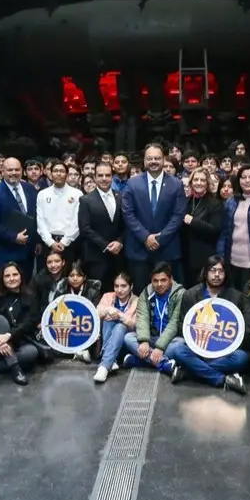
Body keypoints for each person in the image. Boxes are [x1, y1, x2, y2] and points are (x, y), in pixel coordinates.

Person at [169, 258, 250, 394]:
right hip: (197, 350)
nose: (216, 275)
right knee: (178, 351)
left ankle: (188, 372)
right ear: (205, 272)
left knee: (241, 357)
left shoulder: (236, 297)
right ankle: (222, 379)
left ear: (225, 274)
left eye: (220, 271)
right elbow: (182, 325)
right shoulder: (190, 295)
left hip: (225, 352)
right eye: (212, 270)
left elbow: (243, 329)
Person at [121, 144, 188, 291]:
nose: (153, 161)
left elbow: (178, 215)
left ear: (164, 160)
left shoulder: (176, 184)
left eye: (157, 158)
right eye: (149, 158)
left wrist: (161, 238)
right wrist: (146, 237)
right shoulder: (132, 183)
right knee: (140, 294)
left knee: (167, 294)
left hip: (167, 249)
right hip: (139, 250)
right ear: (144, 161)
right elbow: (128, 213)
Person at [123, 263, 186, 375]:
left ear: (171, 279)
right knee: (128, 337)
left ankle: (138, 360)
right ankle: (163, 364)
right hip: (151, 338)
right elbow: (142, 317)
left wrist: (160, 347)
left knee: (180, 345)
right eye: (155, 281)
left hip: (170, 341)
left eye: (163, 280)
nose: (159, 284)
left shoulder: (180, 293)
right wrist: (144, 341)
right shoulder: (147, 292)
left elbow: (174, 323)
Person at [0, 157, 40, 278]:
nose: (13, 173)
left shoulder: (30, 189)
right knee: (7, 287)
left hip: (28, 250)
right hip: (6, 250)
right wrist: (13, 237)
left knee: (26, 285)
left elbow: (36, 216)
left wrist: (37, 241)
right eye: (10, 170)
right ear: (2, 171)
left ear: (21, 171)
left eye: (17, 170)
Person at [78, 163, 126, 285]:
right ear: (94, 177)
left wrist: (120, 242)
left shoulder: (121, 197)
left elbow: (126, 224)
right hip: (96, 256)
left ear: (112, 177)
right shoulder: (86, 200)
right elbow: (85, 228)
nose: (104, 178)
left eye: (107, 175)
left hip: (119, 256)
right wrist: (106, 245)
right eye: (100, 175)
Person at [93, 273, 138, 383]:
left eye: (123, 286)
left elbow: (133, 324)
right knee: (108, 321)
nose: (119, 290)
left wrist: (118, 314)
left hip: (125, 344)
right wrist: (108, 309)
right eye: (116, 286)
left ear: (131, 287)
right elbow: (96, 313)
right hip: (108, 339)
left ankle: (104, 366)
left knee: (120, 327)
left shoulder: (137, 300)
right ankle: (110, 361)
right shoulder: (108, 296)